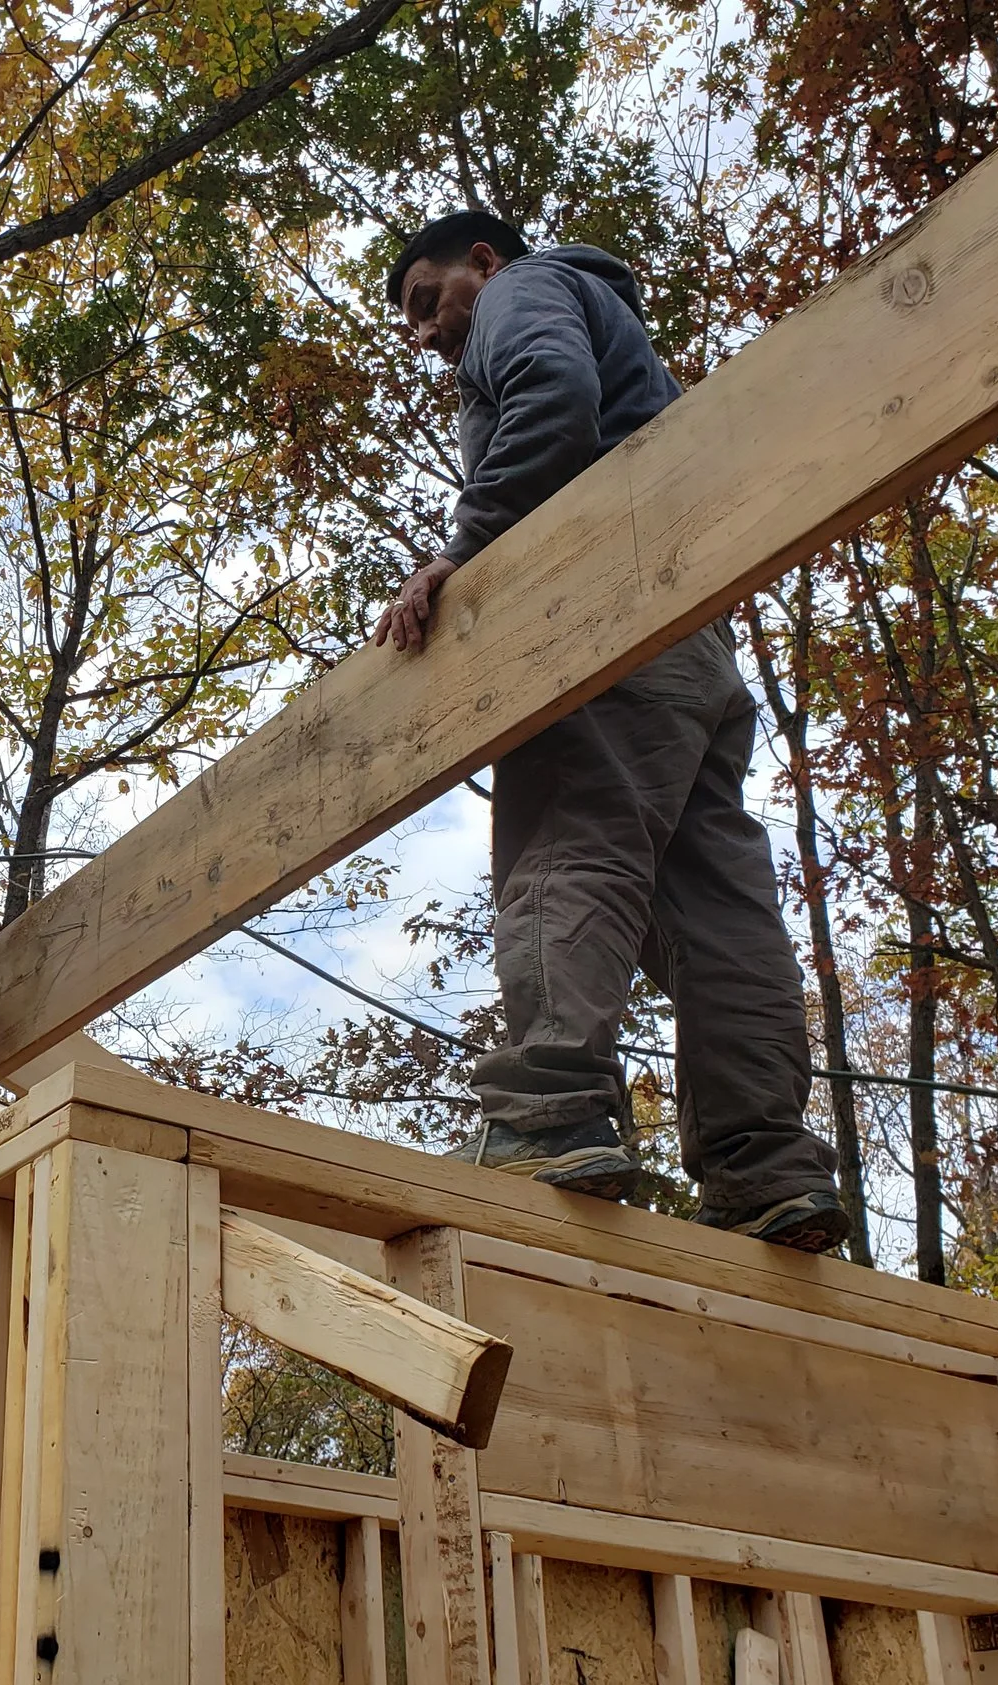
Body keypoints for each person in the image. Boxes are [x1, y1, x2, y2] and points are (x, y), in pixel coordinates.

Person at [375, 210, 849, 1252]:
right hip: (690, 658)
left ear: (481, 264)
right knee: (715, 909)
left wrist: (466, 554)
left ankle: (550, 1119)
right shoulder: (609, 327)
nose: (424, 335)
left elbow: (552, 397)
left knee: (564, 846)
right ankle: (764, 1168)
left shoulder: (522, 292)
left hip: (598, 626)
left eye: (425, 302)